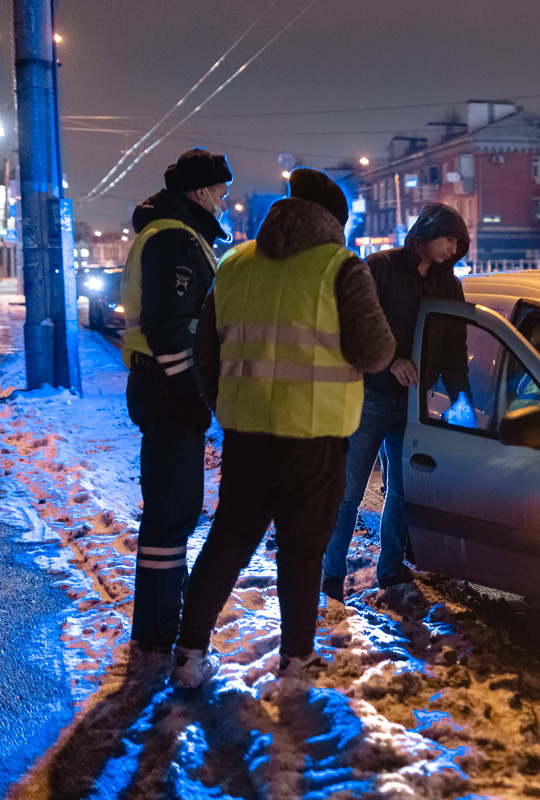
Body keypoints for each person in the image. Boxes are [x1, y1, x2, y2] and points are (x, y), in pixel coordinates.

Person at [170, 169, 395, 688]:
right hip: (315, 439)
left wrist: (228, 407)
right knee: (302, 550)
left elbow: (206, 351)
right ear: (333, 221)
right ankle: (296, 661)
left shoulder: (235, 263)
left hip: (247, 435)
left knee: (227, 541)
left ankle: (188, 655)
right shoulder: (340, 268)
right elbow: (375, 351)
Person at [320, 202, 470, 602]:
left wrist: (460, 396)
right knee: (349, 491)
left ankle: (389, 569)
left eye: (459, 241)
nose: (453, 248)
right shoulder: (381, 268)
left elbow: (456, 345)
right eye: (448, 238)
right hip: (369, 397)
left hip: (415, 406)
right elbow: (353, 326)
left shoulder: (450, 286)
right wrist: (389, 361)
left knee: (403, 492)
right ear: (425, 234)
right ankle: (330, 572)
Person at [120, 147, 232, 657]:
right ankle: (159, 627)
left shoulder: (174, 233)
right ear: (199, 192)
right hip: (169, 392)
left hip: (162, 389)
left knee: (174, 511)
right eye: (220, 191)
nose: (224, 200)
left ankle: (162, 617)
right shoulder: (174, 240)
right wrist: (192, 389)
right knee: (171, 514)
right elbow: (169, 328)